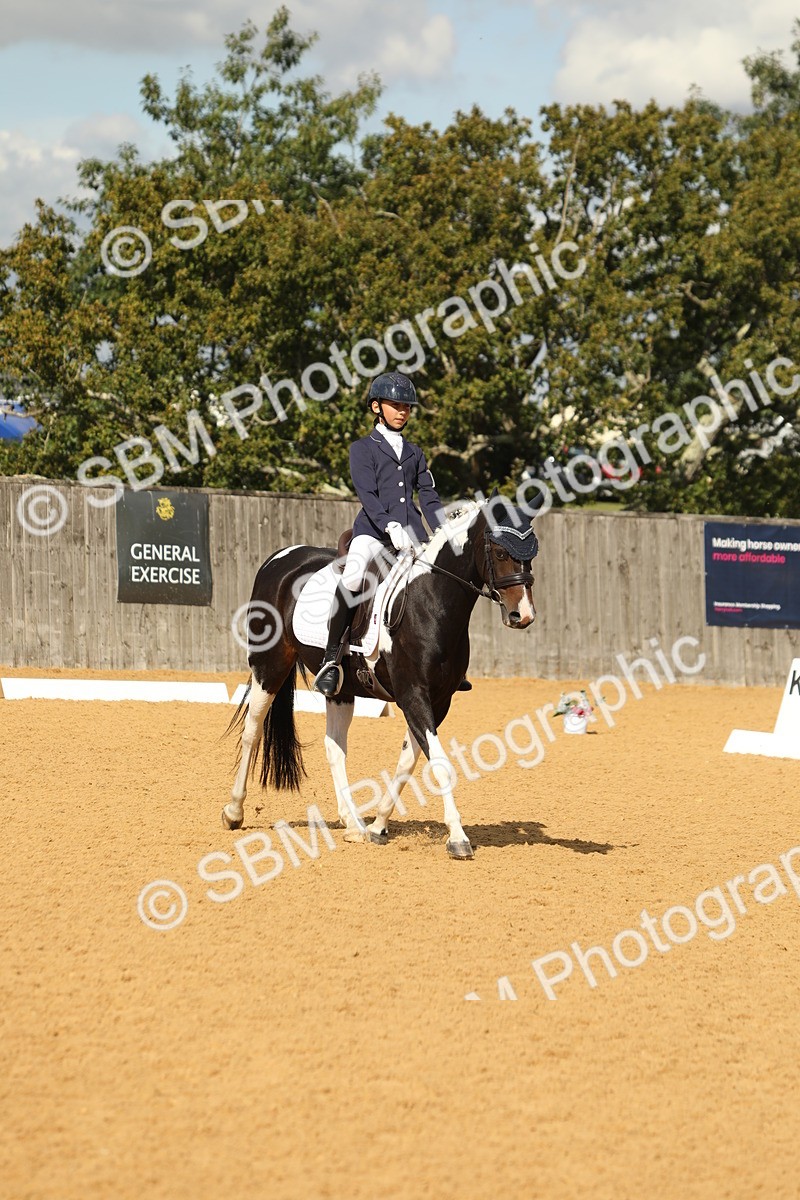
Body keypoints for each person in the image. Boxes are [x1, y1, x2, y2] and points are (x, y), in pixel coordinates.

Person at [313, 371, 446, 697]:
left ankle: (440, 661)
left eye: (407, 406)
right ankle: (331, 659)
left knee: (437, 584)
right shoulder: (362, 449)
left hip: (412, 532)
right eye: (395, 404)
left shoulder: (415, 452)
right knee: (355, 575)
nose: (402, 411)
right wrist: (388, 524)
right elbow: (368, 495)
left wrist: (442, 530)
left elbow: (427, 495)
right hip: (373, 531)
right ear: (376, 407)